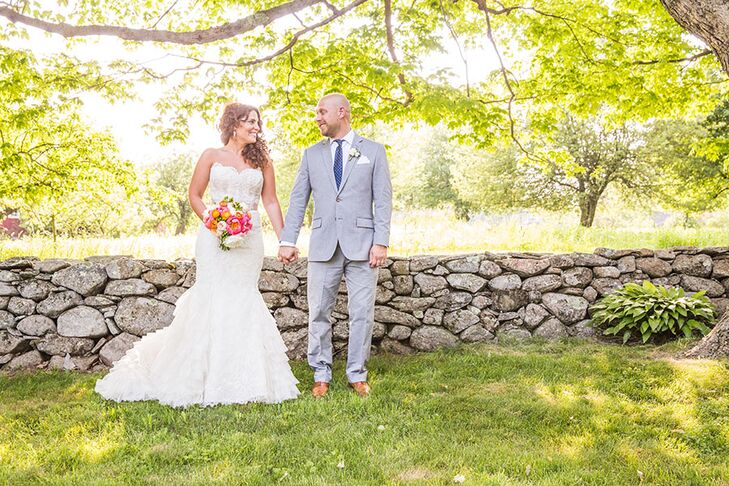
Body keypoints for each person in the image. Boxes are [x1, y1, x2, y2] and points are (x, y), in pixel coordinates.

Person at [95, 103, 300, 407]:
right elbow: (195, 195)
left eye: (258, 123)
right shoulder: (210, 156)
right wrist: (214, 222)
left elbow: (270, 201)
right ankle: (201, 375)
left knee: (243, 297)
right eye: (250, 122)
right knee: (212, 296)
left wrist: (286, 239)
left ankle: (247, 377)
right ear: (233, 125)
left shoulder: (263, 161)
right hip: (213, 238)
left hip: (249, 241)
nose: (257, 127)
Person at [278, 93, 392, 398]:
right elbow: (298, 199)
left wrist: (380, 241)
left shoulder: (374, 151)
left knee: (362, 314)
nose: (317, 117)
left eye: (321, 112)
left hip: (363, 246)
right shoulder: (311, 155)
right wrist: (288, 239)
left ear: (342, 112)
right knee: (318, 312)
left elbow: (382, 200)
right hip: (323, 244)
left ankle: (357, 373)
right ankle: (321, 374)